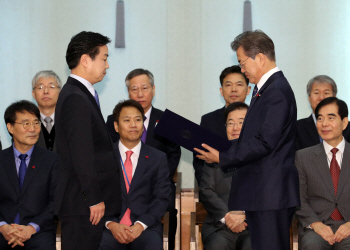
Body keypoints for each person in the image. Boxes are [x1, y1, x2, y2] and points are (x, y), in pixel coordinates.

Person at [194, 30, 300, 250]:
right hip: (264, 193)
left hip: (271, 194)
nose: (242, 70)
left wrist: (222, 155)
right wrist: (222, 150)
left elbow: (264, 142)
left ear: (260, 57)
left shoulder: (276, 92)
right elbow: (254, 140)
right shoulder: (268, 90)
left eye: (243, 63)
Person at [54, 31, 121, 250]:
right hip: (81, 202)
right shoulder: (75, 97)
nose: (107, 65)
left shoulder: (79, 93)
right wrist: (93, 198)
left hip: (81, 202)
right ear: (85, 60)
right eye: (104, 58)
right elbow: (81, 153)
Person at [106, 68, 181, 250]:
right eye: (134, 89)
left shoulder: (166, 120)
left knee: (168, 209)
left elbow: (174, 153)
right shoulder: (112, 120)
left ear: (153, 90)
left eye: (145, 88)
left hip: (156, 182)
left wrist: (155, 175)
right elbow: (107, 156)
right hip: (119, 189)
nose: (140, 94)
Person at [99, 100, 170, 250]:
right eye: (127, 120)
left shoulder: (158, 158)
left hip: (145, 227)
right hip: (111, 226)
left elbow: (162, 198)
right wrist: (111, 224)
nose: (133, 125)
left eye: (138, 120)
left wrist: (140, 225)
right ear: (116, 126)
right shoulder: (102, 158)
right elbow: (95, 195)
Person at [0, 100, 58, 249]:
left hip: (39, 231)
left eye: (36, 123)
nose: (32, 129)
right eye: (26, 124)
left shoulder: (52, 160)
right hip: (3, 229)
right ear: (10, 127)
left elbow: (56, 201)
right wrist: (2, 226)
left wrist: (31, 228)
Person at [296, 97, 350, 249]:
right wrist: (316, 224)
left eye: (331, 118)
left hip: (348, 226)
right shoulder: (302, 157)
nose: (324, 123)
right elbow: (299, 198)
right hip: (316, 227)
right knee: (312, 245)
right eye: (320, 118)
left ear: (344, 122)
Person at [200, 102, 251, 250]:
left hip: (253, 226)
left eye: (241, 122)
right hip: (219, 226)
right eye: (231, 123)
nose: (235, 127)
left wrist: (244, 215)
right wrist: (227, 217)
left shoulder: (263, 157)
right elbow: (206, 190)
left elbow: (267, 194)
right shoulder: (214, 156)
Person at [193, 65, 251, 185]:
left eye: (239, 84)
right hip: (218, 189)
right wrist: (208, 189)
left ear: (248, 89)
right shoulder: (208, 121)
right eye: (228, 85)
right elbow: (199, 161)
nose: (234, 89)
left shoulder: (259, 118)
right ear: (221, 91)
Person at [32, 70, 62, 152]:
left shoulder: (70, 121)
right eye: (40, 87)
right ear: (33, 94)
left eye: (51, 87)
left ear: (60, 92)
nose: (46, 91)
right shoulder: (26, 124)